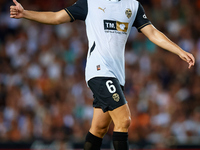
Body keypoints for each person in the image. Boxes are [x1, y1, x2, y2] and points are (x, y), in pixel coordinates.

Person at [10, 0, 195, 149]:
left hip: (116, 75)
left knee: (98, 129)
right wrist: (26, 13)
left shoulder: (132, 5)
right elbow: (57, 17)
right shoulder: (90, 3)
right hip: (99, 71)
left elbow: (152, 32)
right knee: (124, 120)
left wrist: (178, 50)